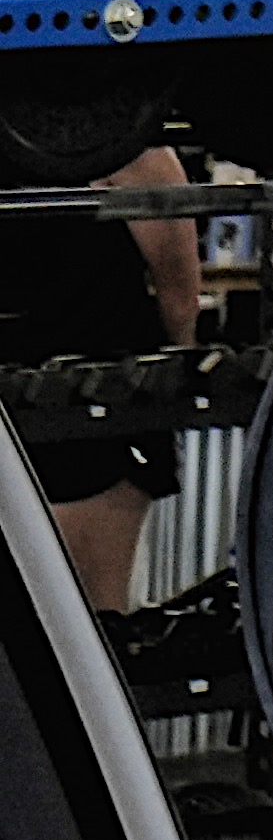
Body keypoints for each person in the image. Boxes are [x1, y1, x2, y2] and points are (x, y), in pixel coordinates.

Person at [1, 154, 209, 605]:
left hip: (97, 421)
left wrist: (170, 388)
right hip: (34, 414)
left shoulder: (130, 153)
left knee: (87, 622)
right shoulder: (131, 153)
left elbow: (179, 302)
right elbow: (179, 305)